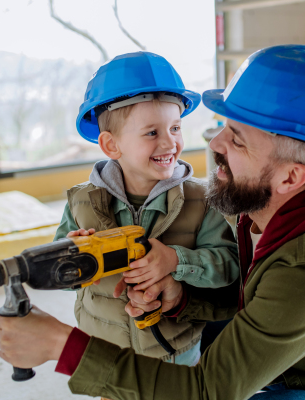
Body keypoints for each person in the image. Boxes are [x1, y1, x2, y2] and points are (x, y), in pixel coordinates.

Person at [0, 45, 305, 400]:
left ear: (290, 177)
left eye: (235, 139)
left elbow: (207, 392)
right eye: (222, 125)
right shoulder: (266, 205)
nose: (212, 142)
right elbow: (247, 298)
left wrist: (60, 346)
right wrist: (180, 298)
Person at [53, 51, 239, 367]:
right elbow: (58, 272)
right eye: (152, 132)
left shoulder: (201, 201)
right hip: (104, 354)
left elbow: (229, 267)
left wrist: (177, 261)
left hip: (175, 353)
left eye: (175, 128)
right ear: (112, 145)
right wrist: (74, 259)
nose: (169, 143)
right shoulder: (81, 203)